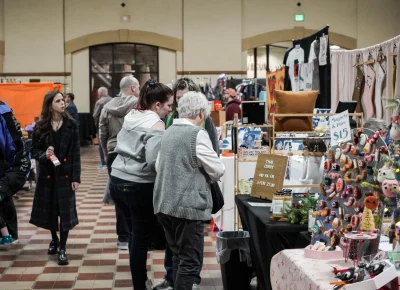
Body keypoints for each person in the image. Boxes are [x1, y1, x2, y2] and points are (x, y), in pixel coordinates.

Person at [154, 91, 225, 290]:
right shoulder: (197, 134)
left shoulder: (168, 131)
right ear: (201, 113)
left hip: (164, 203)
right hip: (188, 207)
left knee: (178, 256)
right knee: (190, 262)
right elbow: (218, 169)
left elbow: (158, 166)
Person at [110, 80, 173, 290]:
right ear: (157, 105)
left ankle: (141, 280)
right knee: (139, 237)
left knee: (133, 235)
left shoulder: (131, 115)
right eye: (168, 106)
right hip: (137, 184)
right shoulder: (156, 123)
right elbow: (154, 161)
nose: (170, 110)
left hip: (117, 179)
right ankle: (140, 285)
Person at [30, 90, 81, 265]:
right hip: (47, 175)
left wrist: (76, 177)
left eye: (63, 100)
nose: (63, 103)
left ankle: (63, 248)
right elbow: (34, 151)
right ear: (50, 104)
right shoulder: (40, 126)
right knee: (51, 210)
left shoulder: (71, 124)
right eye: (58, 101)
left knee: (65, 212)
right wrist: (45, 154)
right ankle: (54, 238)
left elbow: (75, 153)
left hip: (65, 175)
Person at [99, 75, 139, 250]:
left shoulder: (106, 107)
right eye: (137, 87)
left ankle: (123, 238)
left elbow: (102, 133)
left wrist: (107, 152)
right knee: (137, 193)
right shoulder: (139, 104)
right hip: (134, 152)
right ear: (132, 88)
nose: (138, 90)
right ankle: (136, 234)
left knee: (119, 195)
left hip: (114, 152)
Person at [0, 101, 30, 249]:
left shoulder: (3, 112)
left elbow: (15, 145)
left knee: (3, 194)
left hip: (11, 165)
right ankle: (8, 235)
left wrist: (12, 167)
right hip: (7, 164)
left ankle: (8, 235)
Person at [93, 87, 112, 169]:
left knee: (102, 143)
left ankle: (104, 163)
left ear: (100, 93)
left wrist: (96, 125)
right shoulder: (112, 100)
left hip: (102, 125)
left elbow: (95, 115)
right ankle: (111, 161)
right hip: (112, 125)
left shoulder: (99, 102)